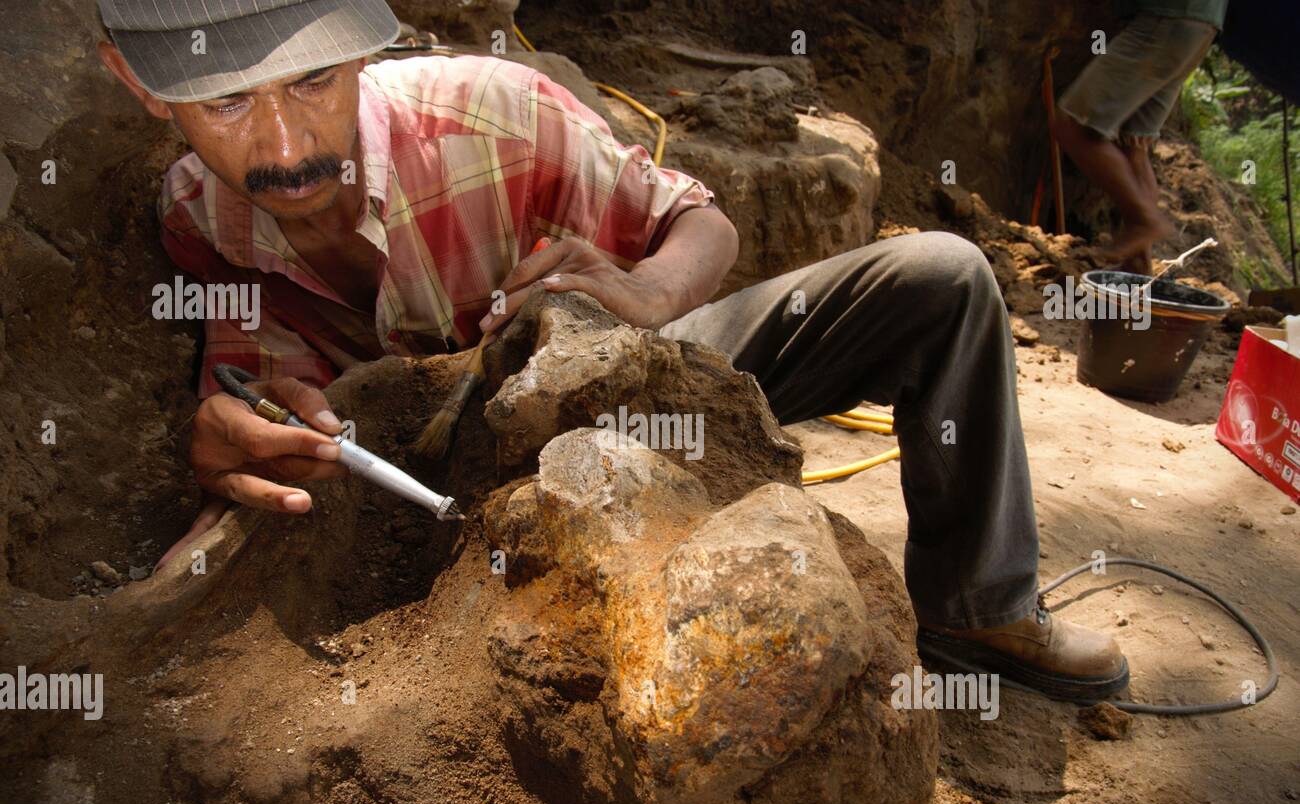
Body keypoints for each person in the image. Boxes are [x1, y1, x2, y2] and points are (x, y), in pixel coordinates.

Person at [96, 0, 1128, 700]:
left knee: (940, 278)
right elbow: (258, 381)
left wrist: (650, 292)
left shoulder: (490, 115)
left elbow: (701, 224)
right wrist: (239, 424)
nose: (283, 146)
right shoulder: (194, 214)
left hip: (611, 392)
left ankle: (976, 607)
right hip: (424, 475)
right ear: (141, 87)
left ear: (362, 49)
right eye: (228, 100)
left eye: (314, 80)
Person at [1052, 0, 1228, 274]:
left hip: (1165, 19)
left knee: (1072, 124)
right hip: (1200, 27)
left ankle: (1143, 220)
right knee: (1135, 142)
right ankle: (1138, 263)